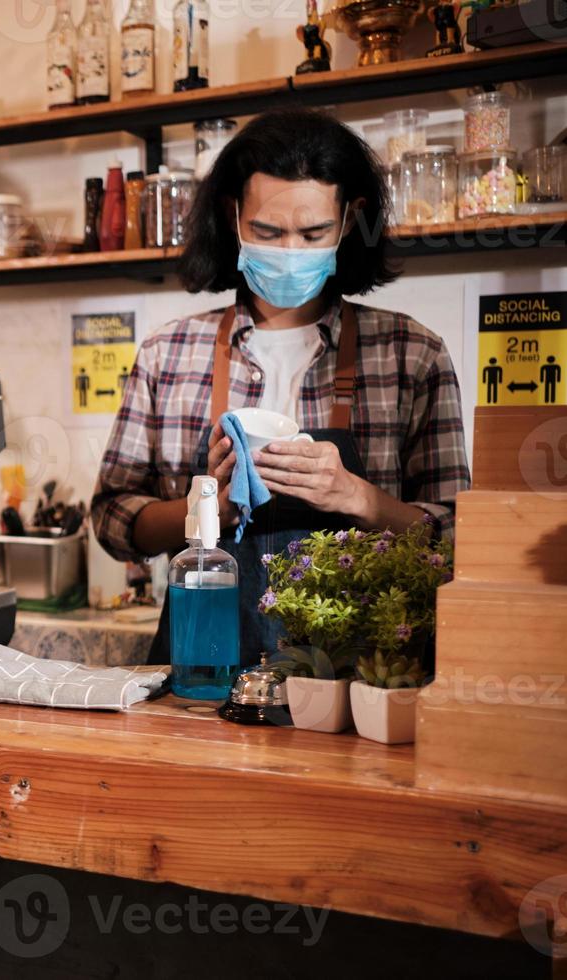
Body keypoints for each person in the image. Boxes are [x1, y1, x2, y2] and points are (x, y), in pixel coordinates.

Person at [91, 108, 470, 663]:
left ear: (349, 220)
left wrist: (358, 499)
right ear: (233, 215)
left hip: (359, 684)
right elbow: (111, 518)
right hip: (201, 673)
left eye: (313, 232)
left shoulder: (411, 354)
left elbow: (458, 538)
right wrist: (204, 511)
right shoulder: (168, 353)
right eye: (268, 232)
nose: (290, 251)